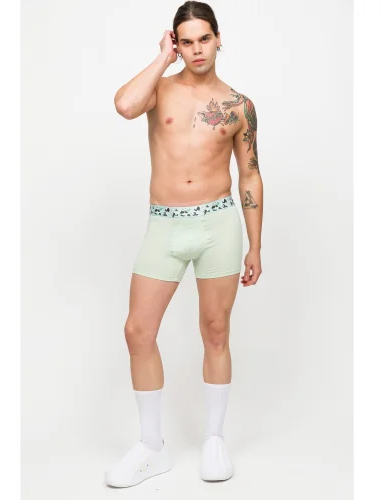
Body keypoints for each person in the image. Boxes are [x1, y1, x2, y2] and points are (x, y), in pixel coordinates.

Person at [104, 0, 263, 487]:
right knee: (138, 331)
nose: (197, 50)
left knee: (215, 330)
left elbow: (250, 175)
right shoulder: (160, 89)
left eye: (204, 39)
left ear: (218, 39)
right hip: (165, 225)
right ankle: (152, 447)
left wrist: (255, 246)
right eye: (186, 41)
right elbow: (125, 106)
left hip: (218, 225)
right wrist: (161, 58)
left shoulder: (238, 106)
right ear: (177, 43)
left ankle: (214, 439)